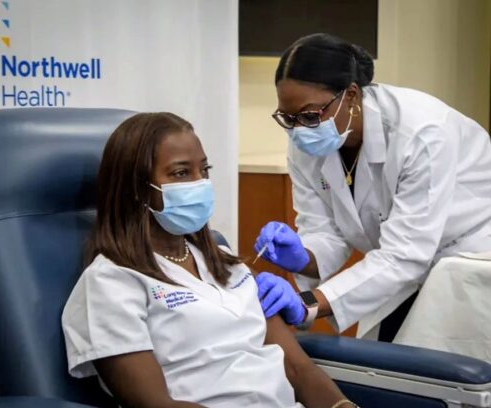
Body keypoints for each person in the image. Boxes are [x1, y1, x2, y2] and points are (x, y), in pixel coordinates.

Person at [61, 112, 356, 408]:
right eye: (180, 173)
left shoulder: (227, 263)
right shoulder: (112, 283)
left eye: (204, 170)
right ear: (137, 190)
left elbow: (298, 369)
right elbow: (154, 404)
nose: (199, 183)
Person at [254, 33, 491, 341]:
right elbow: (327, 231)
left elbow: (404, 255)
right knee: (386, 365)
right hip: (400, 264)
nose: (298, 129)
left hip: (469, 257)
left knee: (439, 371)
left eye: (310, 115)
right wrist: (304, 256)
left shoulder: (422, 133)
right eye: (288, 118)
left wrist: (309, 304)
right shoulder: (306, 140)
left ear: (351, 95)